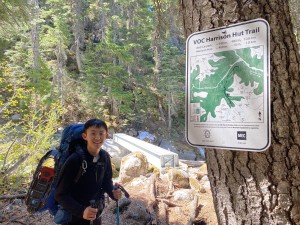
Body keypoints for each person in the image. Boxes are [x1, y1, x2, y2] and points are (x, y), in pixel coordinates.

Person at [55, 118, 122, 225]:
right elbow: (60, 194)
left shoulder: (104, 157)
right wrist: (81, 211)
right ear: (84, 136)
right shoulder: (75, 160)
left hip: (95, 213)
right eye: (93, 133)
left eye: (101, 133)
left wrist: (112, 192)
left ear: (106, 136)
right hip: (74, 216)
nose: (97, 137)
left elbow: (106, 181)